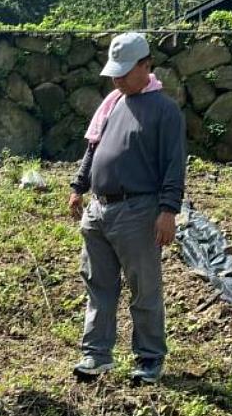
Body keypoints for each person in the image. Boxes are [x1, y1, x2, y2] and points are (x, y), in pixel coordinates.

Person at [68, 32, 185, 385]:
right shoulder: (113, 103)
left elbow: (174, 165)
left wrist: (168, 211)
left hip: (138, 209)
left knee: (143, 286)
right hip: (98, 209)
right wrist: (78, 186)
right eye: (114, 73)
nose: (117, 79)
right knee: (98, 283)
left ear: (146, 66)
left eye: (124, 72)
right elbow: (94, 148)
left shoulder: (164, 110)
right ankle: (96, 354)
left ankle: (149, 357)